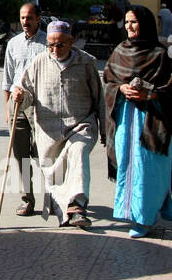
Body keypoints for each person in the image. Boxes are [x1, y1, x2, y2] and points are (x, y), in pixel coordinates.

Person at [102, 6, 172, 238]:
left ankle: (144, 218)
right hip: (124, 119)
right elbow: (108, 80)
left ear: (146, 24)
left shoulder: (159, 54)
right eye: (127, 22)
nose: (130, 27)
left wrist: (150, 94)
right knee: (127, 166)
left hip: (152, 121)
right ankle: (132, 214)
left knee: (148, 169)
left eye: (134, 22)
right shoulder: (119, 51)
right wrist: (120, 88)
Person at [11, 21, 103, 228]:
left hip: (81, 124)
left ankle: (78, 206)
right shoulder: (38, 62)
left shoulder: (86, 63)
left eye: (60, 45)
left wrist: (106, 130)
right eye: (50, 45)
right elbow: (26, 96)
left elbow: (99, 98)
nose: (54, 50)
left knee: (78, 153)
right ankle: (65, 209)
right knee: (54, 171)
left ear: (71, 42)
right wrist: (19, 95)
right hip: (49, 130)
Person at [2, 1, 47, 216]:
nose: (25, 22)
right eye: (22, 18)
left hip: (41, 106)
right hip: (17, 104)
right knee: (21, 155)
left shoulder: (49, 43)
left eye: (29, 18)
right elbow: (7, 79)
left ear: (38, 18)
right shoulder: (13, 44)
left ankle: (54, 195)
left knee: (45, 152)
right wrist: (7, 108)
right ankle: (27, 199)